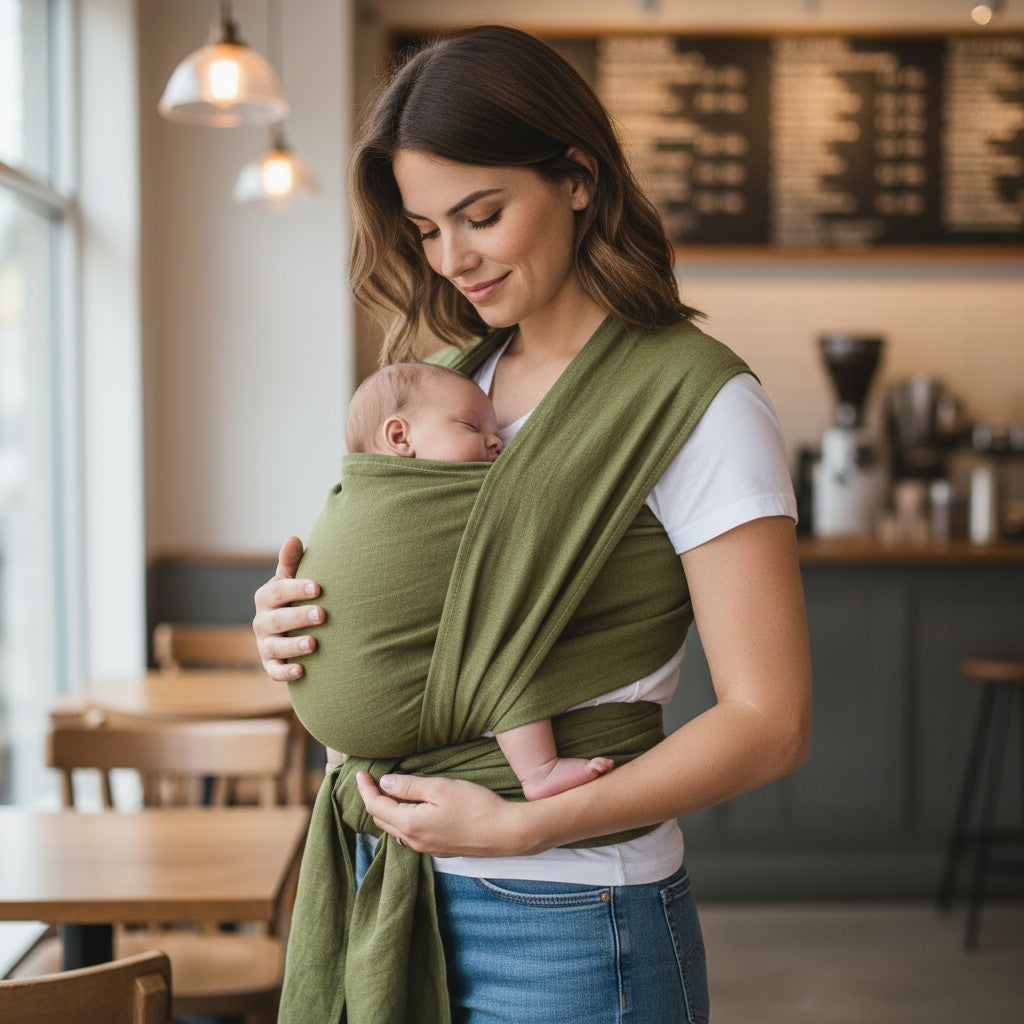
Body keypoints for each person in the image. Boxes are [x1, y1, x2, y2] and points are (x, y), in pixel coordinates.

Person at [253, 24, 812, 1024]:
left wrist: (523, 823)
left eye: (481, 213)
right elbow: (416, 599)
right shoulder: (449, 388)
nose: (451, 257)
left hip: (570, 914)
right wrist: (298, 621)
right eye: (426, 229)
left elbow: (769, 726)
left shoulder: (698, 403)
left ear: (579, 180)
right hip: (393, 887)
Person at [325, 358, 616, 800]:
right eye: (470, 426)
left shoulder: (358, 502)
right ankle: (539, 770)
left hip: (338, 719)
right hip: (357, 683)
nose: (495, 440)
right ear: (400, 437)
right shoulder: (426, 499)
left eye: (493, 429)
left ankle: (338, 751)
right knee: (503, 651)